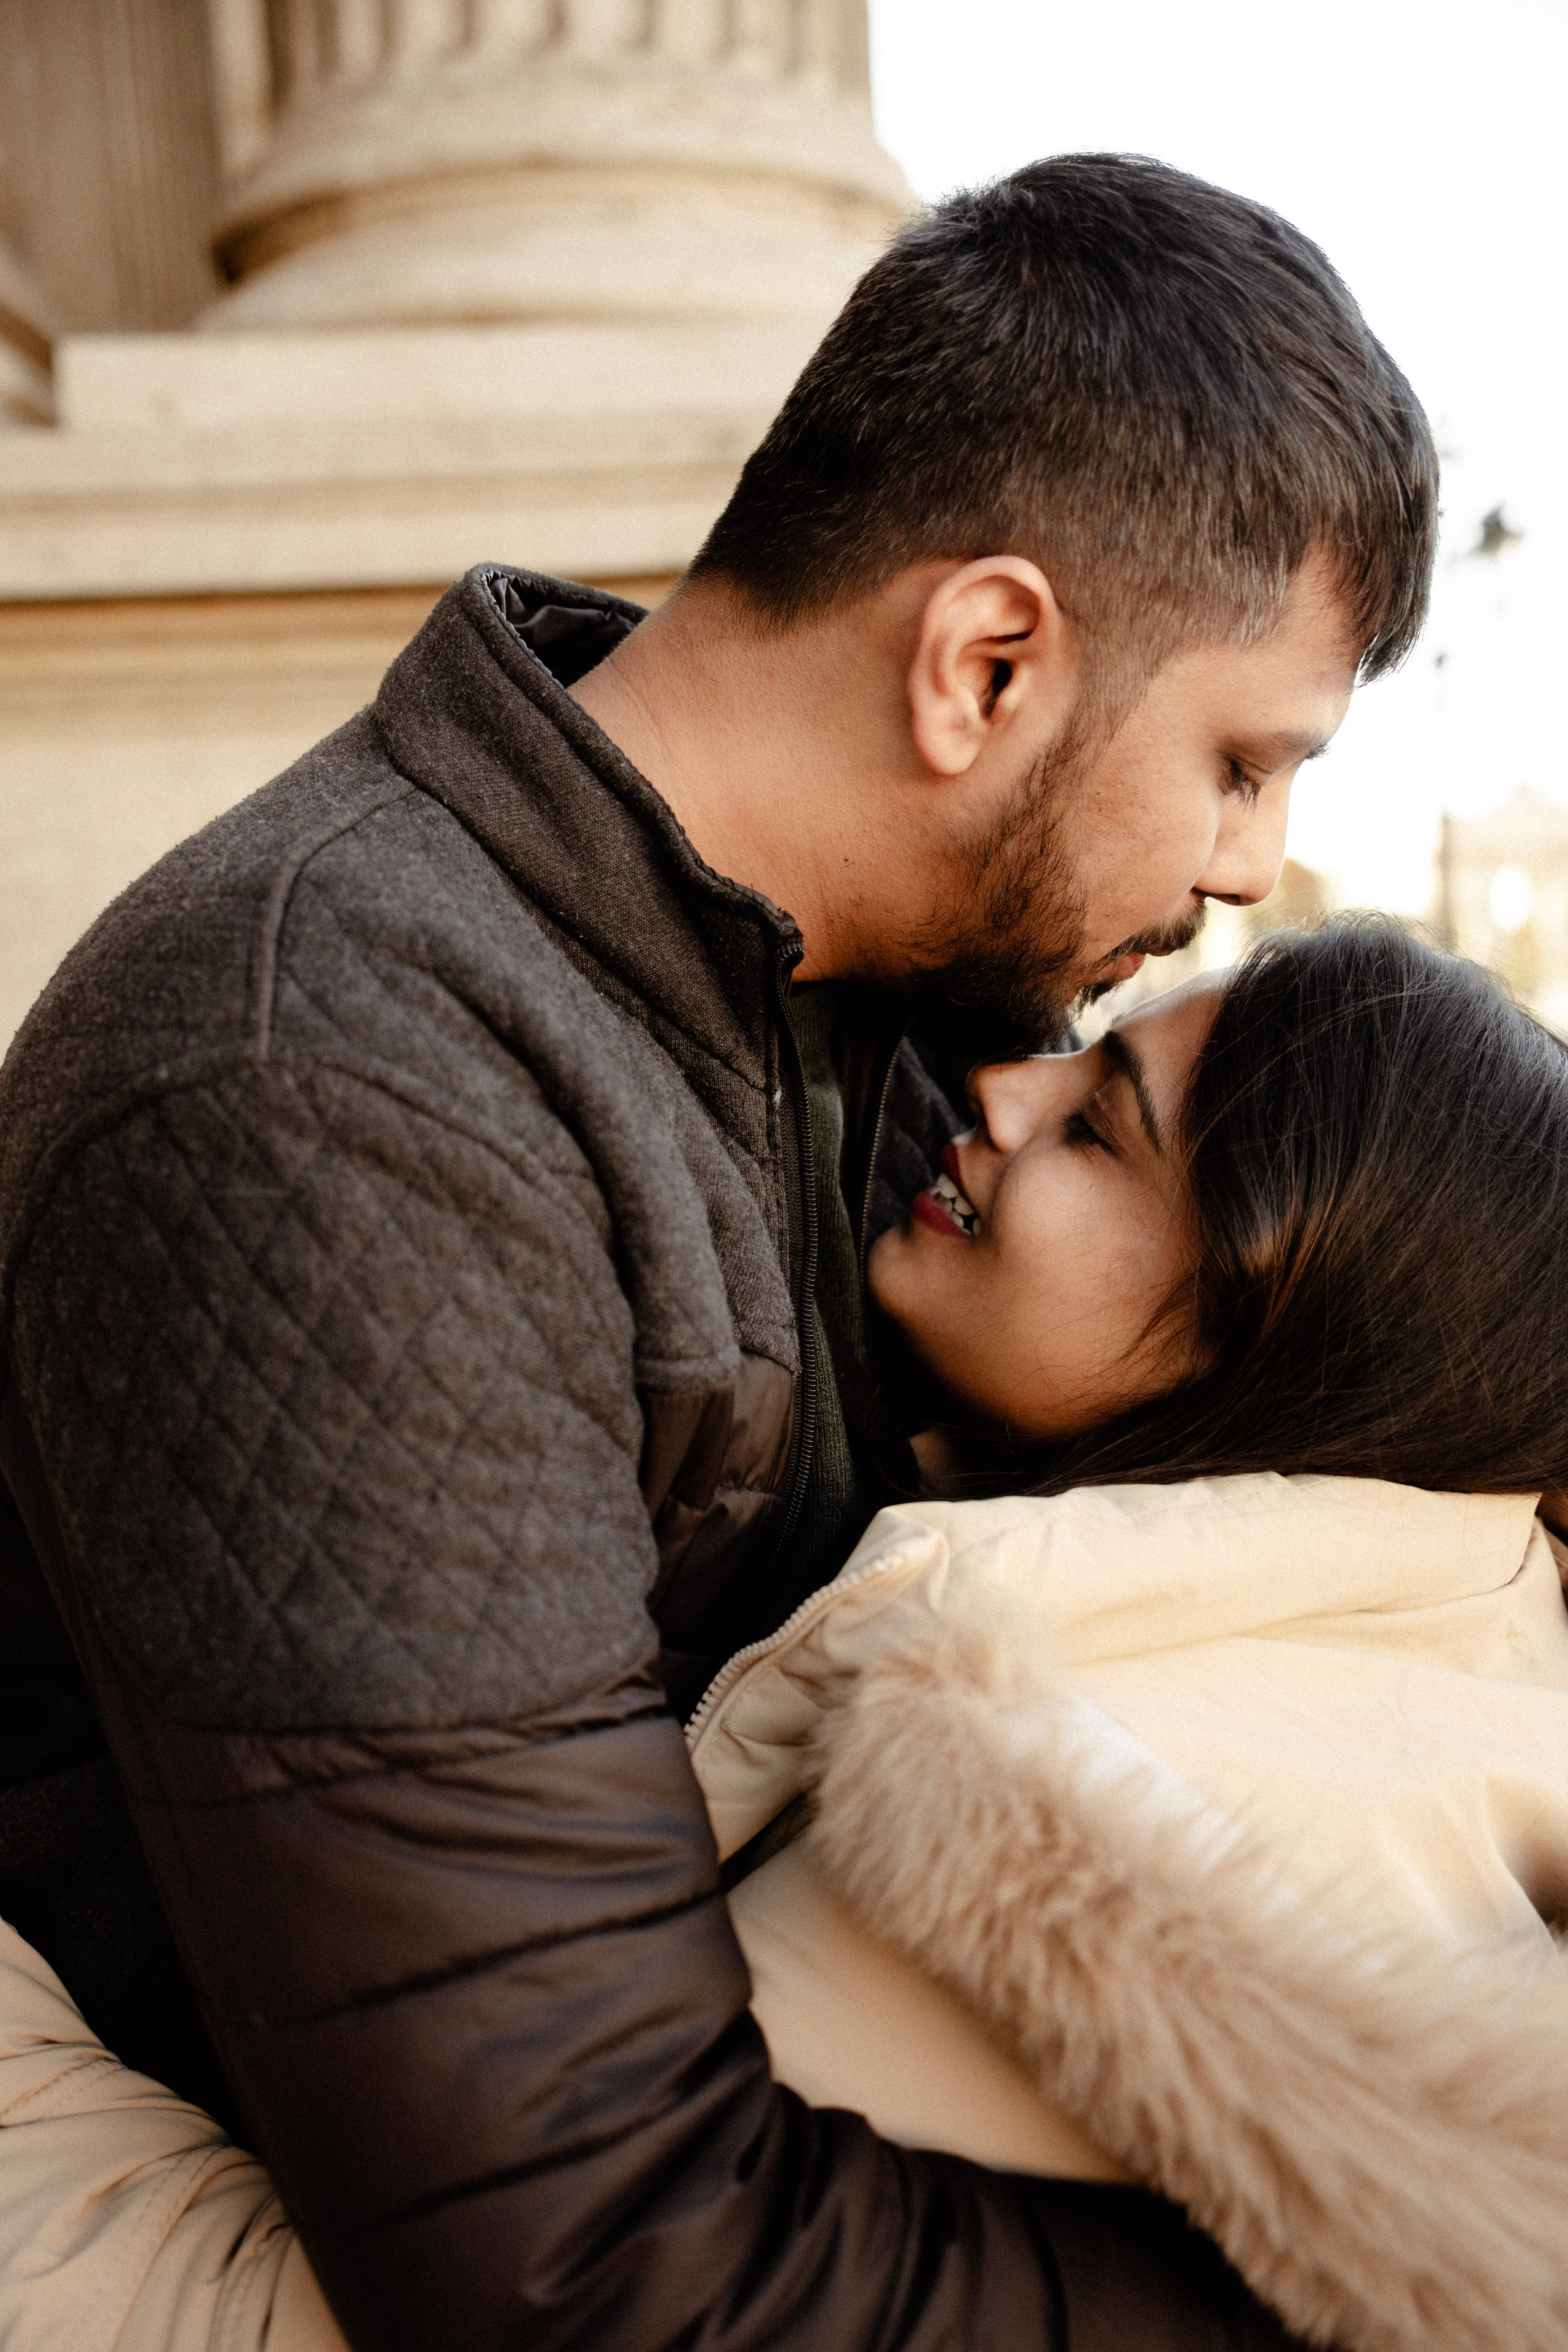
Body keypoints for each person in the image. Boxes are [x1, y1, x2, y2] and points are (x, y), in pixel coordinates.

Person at [0, 156, 1436, 2350]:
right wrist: (1399, 2274)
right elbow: (592, 2261)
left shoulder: (879, 1026)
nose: (1255, 863)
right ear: (986, 661)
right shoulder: (336, 1083)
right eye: (1242, 763)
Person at [692, 916, 1568, 2352]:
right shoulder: (1466, 1623)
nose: (1003, 1091)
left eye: (1098, 1127)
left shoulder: (1036, 1828)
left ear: (1278, 1345)